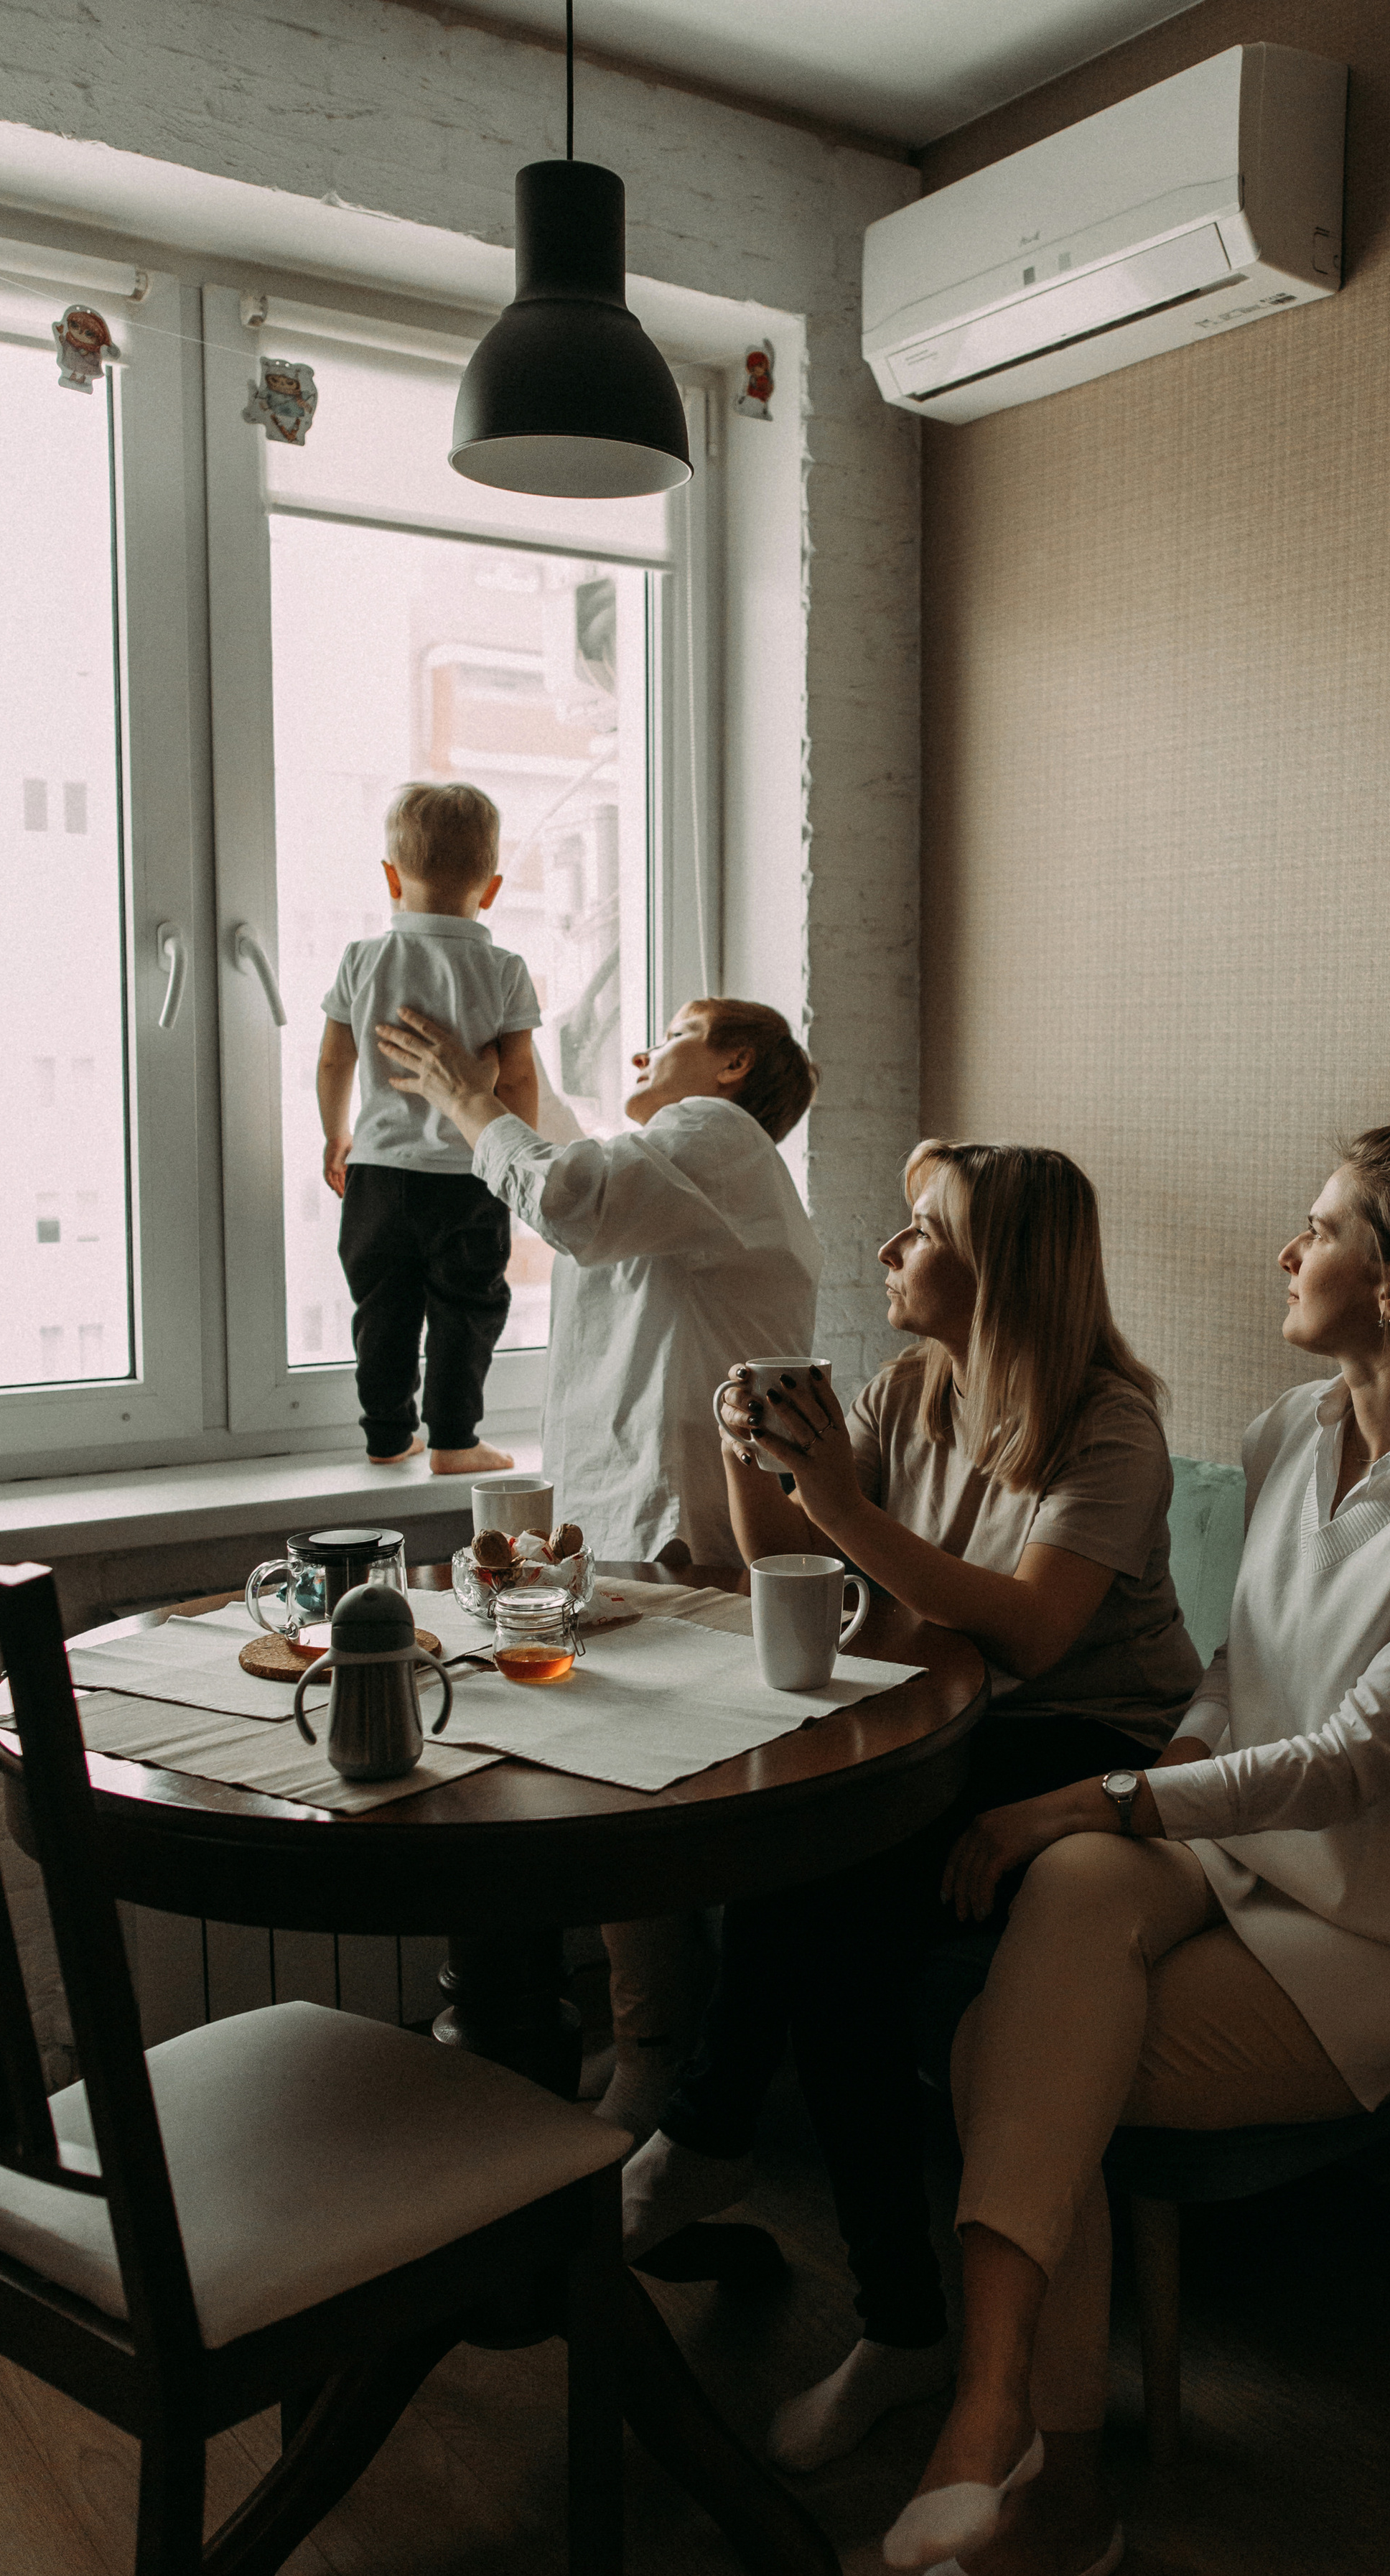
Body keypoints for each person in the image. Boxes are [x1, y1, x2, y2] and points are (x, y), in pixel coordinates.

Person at [874, 1125, 1390, 2576]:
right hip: (1218, 1859)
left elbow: (1341, 1763)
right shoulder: (1283, 1434)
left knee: (1014, 2044)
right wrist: (1140, 1792)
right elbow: (1231, 1676)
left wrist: (1103, 1790)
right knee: (1066, 1893)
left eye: (1318, 1228)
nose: (1288, 1250)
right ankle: (998, 2409)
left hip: (1365, 1937)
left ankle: (1045, 2481)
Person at [617, 1139, 1203, 2475]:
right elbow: (797, 1576)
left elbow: (1035, 1637)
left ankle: (831, 2262)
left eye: (921, 1232)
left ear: (999, 1272)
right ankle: (753, 2186)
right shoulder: (906, 1391)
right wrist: (751, 1469)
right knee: (794, 1847)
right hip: (944, 1725)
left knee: (824, 1899)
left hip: (1079, 1740)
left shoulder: (1110, 1427)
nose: (890, 1253)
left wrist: (827, 1494)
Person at [372, 989, 821, 2136]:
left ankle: (665, 2078)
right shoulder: (684, 1163)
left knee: (650, 1821)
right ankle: (656, 2063)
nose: (641, 1044)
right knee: (633, 1815)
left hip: (684, 1537)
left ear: (732, 1065)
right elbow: (572, 1162)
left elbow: (565, 1193)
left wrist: (473, 1101)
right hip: (647, 1529)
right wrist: (504, 1086)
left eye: (671, 1031)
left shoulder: (720, 1142)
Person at [317, 781, 538, 1475]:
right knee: (465, 1311)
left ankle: (386, 1436)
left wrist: (337, 1134)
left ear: (391, 877)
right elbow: (519, 1077)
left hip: (378, 1176)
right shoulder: (502, 970)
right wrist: (516, 1161)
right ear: (492, 888)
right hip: (469, 1176)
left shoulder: (363, 959)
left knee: (381, 1309)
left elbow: (333, 1058)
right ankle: (453, 1440)